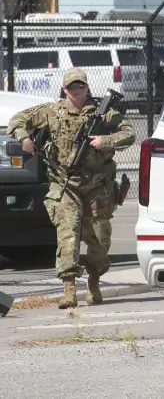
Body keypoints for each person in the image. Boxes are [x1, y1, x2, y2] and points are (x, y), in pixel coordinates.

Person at [7, 68, 135, 308]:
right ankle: (69, 290)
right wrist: (25, 139)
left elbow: (129, 133)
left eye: (81, 88)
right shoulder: (52, 111)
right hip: (66, 183)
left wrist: (104, 141)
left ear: (87, 88)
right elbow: (18, 120)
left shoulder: (103, 114)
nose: (77, 92)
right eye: (72, 88)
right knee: (68, 235)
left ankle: (94, 282)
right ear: (64, 90)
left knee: (99, 239)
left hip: (97, 186)